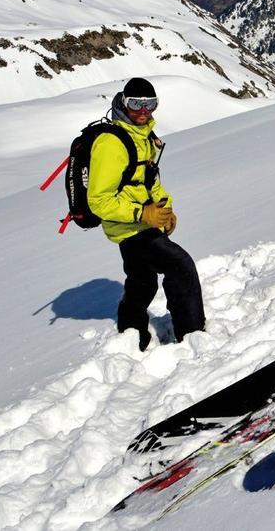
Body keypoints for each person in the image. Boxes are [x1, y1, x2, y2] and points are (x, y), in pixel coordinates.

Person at [87, 77, 205, 351]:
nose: (143, 111)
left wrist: (166, 207)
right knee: (180, 265)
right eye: (136, 104)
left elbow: (149, 180)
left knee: (142, 280)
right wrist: (143, 213)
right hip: (129, 226)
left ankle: (132, 331)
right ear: (123, 103)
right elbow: (98, 201)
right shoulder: (110, 144)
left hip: (141, 221)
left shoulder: (143, 137)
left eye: (149, 105)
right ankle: (192, 336)